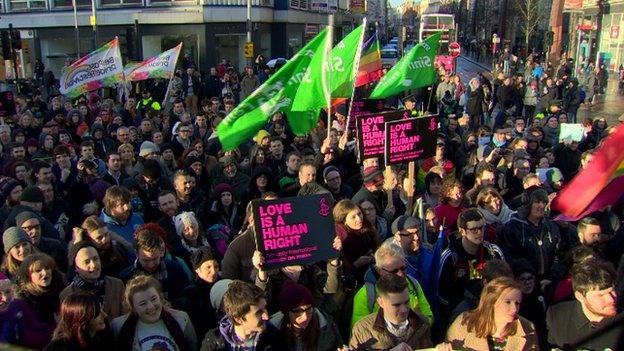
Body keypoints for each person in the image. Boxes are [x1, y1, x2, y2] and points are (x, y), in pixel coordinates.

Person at [350, 273, 442, 350]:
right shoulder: (362, 329)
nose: (404, 310)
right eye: (396, 305)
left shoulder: (422, 325)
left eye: (406, 302)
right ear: (381, 302)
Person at [546, 258, 623, 350]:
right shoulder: (557, 317)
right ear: (580, 296)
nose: (611, 299)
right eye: (600, 295)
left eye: (612, 291)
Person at [351, 241, 432, 328]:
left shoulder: (413, 283)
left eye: (403, 268)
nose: (400, 274)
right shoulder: (366, 294)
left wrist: (419, 318)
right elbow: (359, 331)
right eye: (394, 271)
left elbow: (429, 318)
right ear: (379, 270)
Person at [446, 276, 540, 350]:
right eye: (508, 302)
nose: (514, 308)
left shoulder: (527, 328)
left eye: (517, 303)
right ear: (491, 302)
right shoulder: (464, 324)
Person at [111, 275, 197, 350]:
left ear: (160, 297)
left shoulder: (181, 319)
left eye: (154, 299)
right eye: (143, 304)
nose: (151, 307)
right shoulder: (118, 326)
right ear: (133, 308)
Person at [199, 280, 284, 351]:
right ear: (239, 319)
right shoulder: (214, 342)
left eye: (264, 308)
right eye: (258, 313)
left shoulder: (273, 338)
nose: (265, 316)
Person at [119, 227, 190, 301]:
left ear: (161, 251)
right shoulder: (126, 277)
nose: (151, 265)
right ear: (136, 254)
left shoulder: (175, 269)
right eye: (146, 260)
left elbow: (188, 297)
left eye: (155, 259)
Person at [60, 241, 127, 319]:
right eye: (86, 262)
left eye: (96, 259)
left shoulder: (117, 285)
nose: (94, 265)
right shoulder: (68, 295)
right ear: (76, 267)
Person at [268, 282, 343, 351]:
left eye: (309, 309)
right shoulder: (271, 331)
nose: (305, 317)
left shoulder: (327, 328)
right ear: (286, 312)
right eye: (297, 311)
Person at [18, 253, 66, 349]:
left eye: (47, 268)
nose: (44, 273)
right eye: (38, 270)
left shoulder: (62, 289)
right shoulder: (23, 301)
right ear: (28, 276)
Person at [44, 292, 113, 351]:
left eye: (102, 310)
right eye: (97, 313)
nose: (105, 315)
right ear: (81, 318)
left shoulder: (102, 338)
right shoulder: (60, 347)